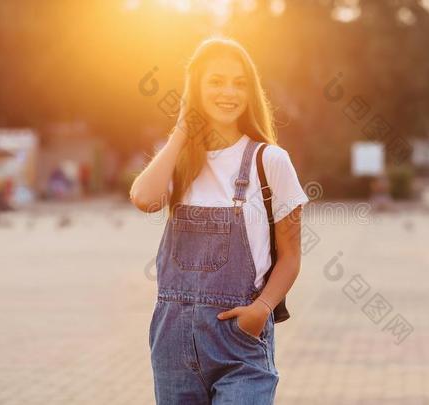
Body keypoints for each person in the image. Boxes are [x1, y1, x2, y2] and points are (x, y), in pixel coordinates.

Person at [130, 36, 309, 404]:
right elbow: (144, 198)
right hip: (173, 342)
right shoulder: (180, 163)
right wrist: (183, 126)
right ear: (195, 89)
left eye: (239, 83)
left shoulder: (270, 161)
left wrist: (261, 311)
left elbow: (291, 256)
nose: (229, 92)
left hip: (239, 341)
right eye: (215, 81)